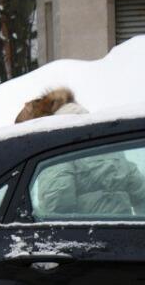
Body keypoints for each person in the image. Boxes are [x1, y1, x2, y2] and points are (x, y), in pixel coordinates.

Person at [17, 87, 145, 218]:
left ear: (38, 122)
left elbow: (56, 200)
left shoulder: (58, 142)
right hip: (124, 229)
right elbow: (139, 189)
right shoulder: (102, 134)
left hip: (89, 232)